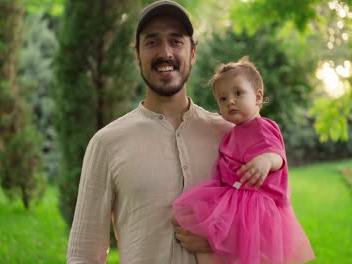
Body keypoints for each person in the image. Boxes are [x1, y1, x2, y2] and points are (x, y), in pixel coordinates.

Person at [67, 1, 276, 263]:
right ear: (137, 55)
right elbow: (83, 254)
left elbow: (271, 225)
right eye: (152, 42)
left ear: (193, 53)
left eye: (176, 41)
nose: (165, 52)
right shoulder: (107, 143)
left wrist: (219, 240)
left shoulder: (231, 136)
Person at [173, 57, 316, 264]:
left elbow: (277, 155)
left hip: (256, 204)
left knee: (255, 254)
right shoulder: (231, 134)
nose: (230, 101)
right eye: (222, 99)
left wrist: (266, 161)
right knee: (192, 225)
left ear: (258, 97)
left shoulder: (262, 127)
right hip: (235, 199)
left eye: (238, 93)